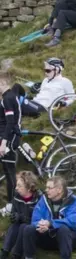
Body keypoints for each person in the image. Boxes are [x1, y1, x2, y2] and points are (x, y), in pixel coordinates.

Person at [11, 176, 76, 259]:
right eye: (46, 187)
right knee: (28, 229)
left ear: (59, 190)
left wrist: (51, 223)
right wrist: (41, 225)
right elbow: (35, 219)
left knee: (64, 229)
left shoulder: (73, 201)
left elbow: (72, 221)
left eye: (49, 187)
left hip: (68, 240)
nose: (46, 190)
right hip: (47, 236)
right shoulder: (43, 200)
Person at [0, 171, 38, 259]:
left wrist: (21, 218)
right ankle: (3, 255)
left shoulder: (38, 199)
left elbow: (36, 221)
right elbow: (13, 212)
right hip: (19, 227)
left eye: (19, 186)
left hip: (33, 230)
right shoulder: (16, 196)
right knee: (15, 225)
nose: (16, 188)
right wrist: (14, 216)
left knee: (23, 226)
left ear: (29, 187)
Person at [0, 76, 26, 205]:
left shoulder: (7, 99)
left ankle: (13, 204)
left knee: (10, 173)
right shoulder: (11, 95)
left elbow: (10, 122)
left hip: (9, 138)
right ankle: (12, 203)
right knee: (7, 170)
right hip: (10, 137)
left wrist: (4, 142)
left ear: (3, 82)